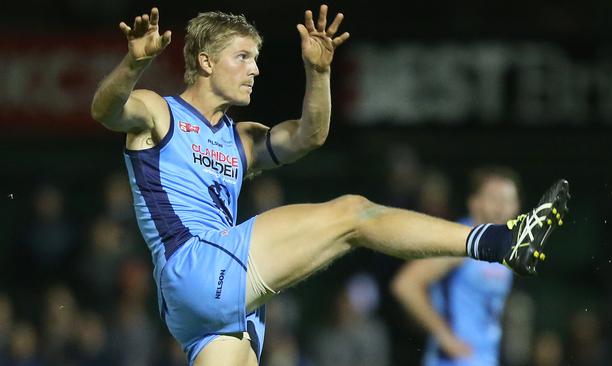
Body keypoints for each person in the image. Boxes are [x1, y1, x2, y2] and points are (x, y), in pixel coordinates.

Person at [90, 5, 570, 366]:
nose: (255, 68)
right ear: (206, 61)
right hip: (196, 262)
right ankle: (501, 240)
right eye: (243, 57)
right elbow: (106, 111)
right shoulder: (160, 111)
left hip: (201, 310)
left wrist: (318, 74)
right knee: (354, 214)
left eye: (256, 58)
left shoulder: (241, 139)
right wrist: (133, 65)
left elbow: (308, 136)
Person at [392, 167, 521, 366]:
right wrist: (443, 335)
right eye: (495, 199)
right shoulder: (461, 241)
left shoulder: (507, 250)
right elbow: (405, 284)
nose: (502, 207)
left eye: (508, 200)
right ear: (474, 202)